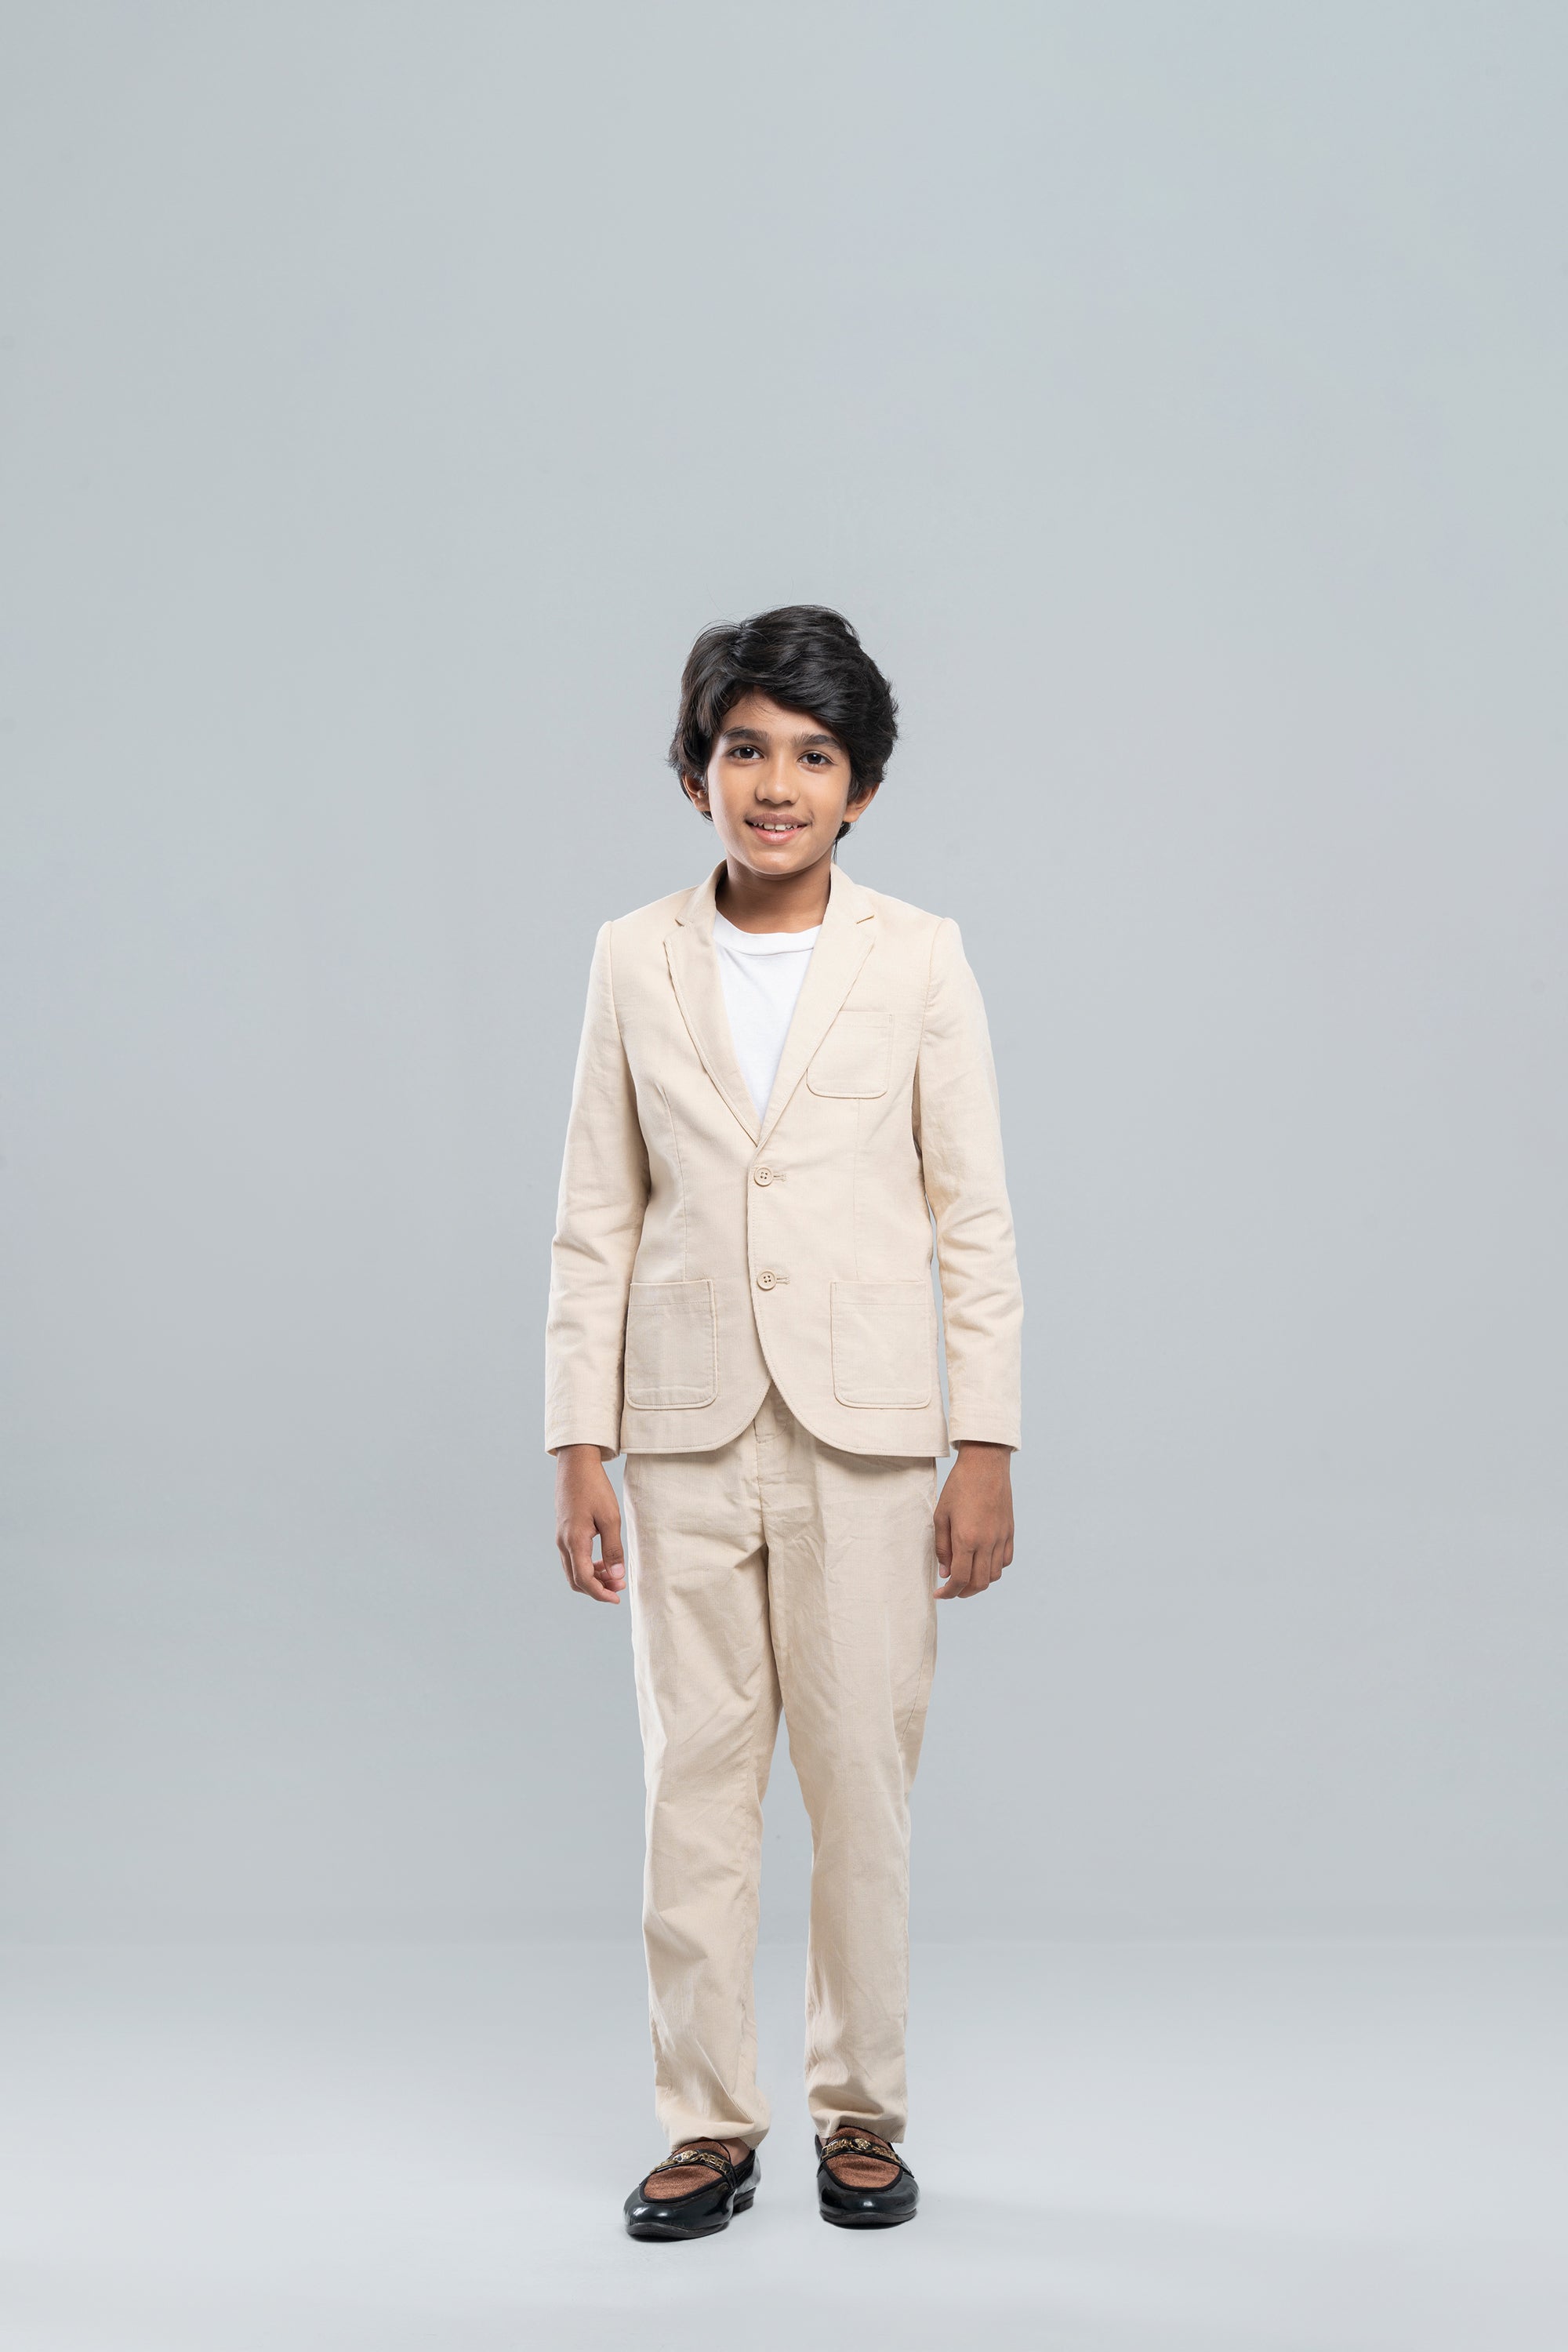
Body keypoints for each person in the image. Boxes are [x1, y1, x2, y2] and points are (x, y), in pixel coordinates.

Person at [546, 604, 1022, 2239]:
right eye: (745, 749)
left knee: (861, 1788)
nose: (775, 784)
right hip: (682, 1435)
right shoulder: (632, 957)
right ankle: (705, 2124)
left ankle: (859, 2111)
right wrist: (576, 1443)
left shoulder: (920, 957)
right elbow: (596, 1217)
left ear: (859, 789)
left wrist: (985, 1443)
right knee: (693, 1787)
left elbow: (974, 1217)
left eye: (813, 757)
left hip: (868, 1438)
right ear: (697, 773)